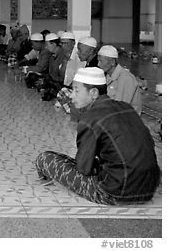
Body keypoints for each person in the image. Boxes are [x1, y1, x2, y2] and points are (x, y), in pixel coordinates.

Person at [35, 67, 160, 205]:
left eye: (77, 90)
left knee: (45, 158)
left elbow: (83, 168)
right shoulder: (125, 107)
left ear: (94, 93)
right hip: (149, 188)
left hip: (114, 192)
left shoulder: (91, 118)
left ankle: (45, 178)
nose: (72, 95)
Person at [97, 45, 142, 114]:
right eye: (98, 61)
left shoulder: (126, 78)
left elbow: (120, 108)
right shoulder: (108, 76)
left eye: (101, 61)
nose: (98, 64)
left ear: (112, 62)